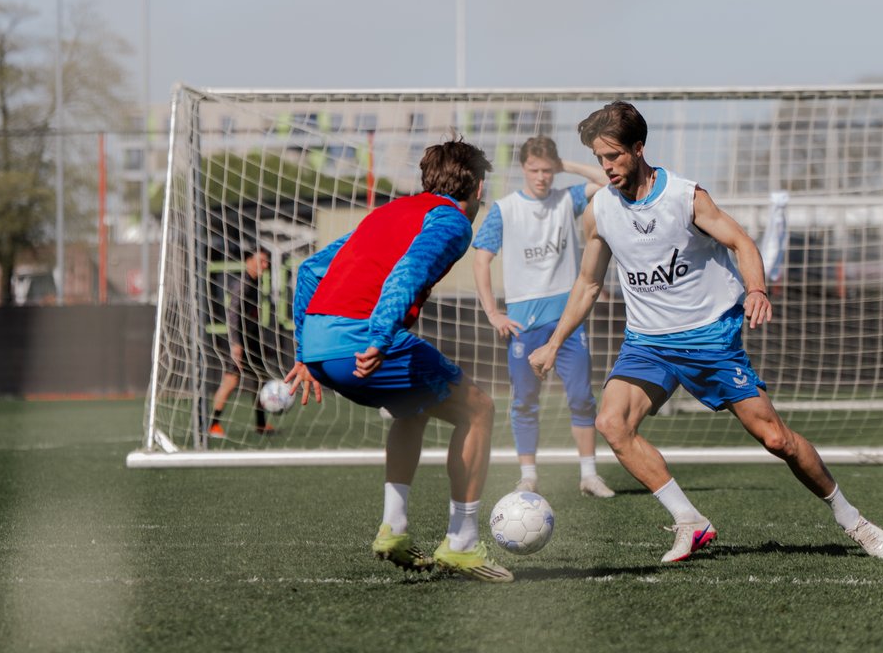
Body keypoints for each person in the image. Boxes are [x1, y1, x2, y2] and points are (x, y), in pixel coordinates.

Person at [528, 101, 883, 563]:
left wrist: (756, 289)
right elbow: (587, 283)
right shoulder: (600, 209)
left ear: (638, 148)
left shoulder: (685, 196)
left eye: (613, 156)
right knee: (611, 423)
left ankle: (853, 520)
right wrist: (554, 342)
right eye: (599, 158)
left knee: (776, 439)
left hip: (708, 338)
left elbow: (741, 241)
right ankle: (690, 521)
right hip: (647, 343)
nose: (606, 167)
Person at [284, 137, 514, 583]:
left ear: (426, 179)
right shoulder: (452, 221)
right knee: (479, 409)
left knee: (412, 410)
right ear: (479, 189)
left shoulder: (387, 212)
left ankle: (395, 529)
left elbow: (311, 268)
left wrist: (304, 354)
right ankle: (463, 542)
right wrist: (378, 336)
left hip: (319, 341)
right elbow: (407, 272)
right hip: (361, 339)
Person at [472, 135, 614, 498]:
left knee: (582, 396)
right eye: (535, 170)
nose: (541, 177)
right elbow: (481, 258)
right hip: (523, 321)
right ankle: (529, 475)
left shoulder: (567, 199)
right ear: (523, 169)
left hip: (566, 320)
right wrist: (493, 313)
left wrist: (567, 166)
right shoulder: (504, 210)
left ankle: (588, 475)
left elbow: (606, 181)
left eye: (548, 170)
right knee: (524, 400)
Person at [209, 248, 277, 439]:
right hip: (241, 343)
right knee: (230, 381)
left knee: (260, 380)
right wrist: (235, 343)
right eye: (261, 260)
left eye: (266, 262)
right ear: (249, 260)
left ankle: (261, 424)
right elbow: (233, 314)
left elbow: (251, 319)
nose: (265, 265)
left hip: (251, 343)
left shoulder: (255, 283)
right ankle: (213, 425)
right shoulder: (243, 284)